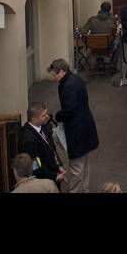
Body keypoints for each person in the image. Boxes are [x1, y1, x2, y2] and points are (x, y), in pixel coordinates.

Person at [48, 57, 100, 193]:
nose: (53, 78)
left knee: (76, 166)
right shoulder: (74, 79)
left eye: (54, 75)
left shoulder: (68, 85)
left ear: (60, 72)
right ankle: (85, 189)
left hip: (77, 130)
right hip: (84, 126)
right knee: (85, 164)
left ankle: (76, 191)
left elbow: (69, 110)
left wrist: (58, 115)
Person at [19, 102, 66, 187]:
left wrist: (58, 166)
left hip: (52, 170)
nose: (47, 117)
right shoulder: (28, 140)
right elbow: (36, 167)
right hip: (44, 180)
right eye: (43, 115)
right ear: (33, 120)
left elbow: (51, 148)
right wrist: (54, 176)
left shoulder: (43, 125)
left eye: (46, 113)